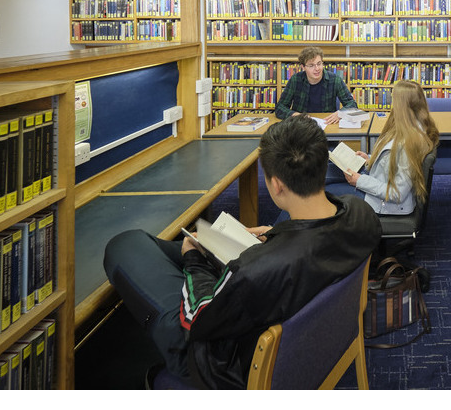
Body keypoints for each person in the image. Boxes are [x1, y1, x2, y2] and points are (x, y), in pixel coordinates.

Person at [102, 116, 381, 389]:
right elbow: (318, 237)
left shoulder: (252, 270)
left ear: (276, 185)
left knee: (125, 244)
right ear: (323, 165)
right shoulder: (361, 214)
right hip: (306, 326)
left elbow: (198, 319)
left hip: (220, 363)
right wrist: (275, 233)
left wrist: (194, 261)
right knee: (188, 244)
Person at [327, 80, 438, 215]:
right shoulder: (408, 127)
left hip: (381, 203)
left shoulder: (409, 143)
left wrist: (359, 181)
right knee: (322, 171)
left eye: (394, 100)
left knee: (323, 190)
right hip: (376, 180)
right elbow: (391, 163)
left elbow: (397, 193)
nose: (391, 104)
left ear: (401, 106)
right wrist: (369, 159)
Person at [274, 45, 357, 125]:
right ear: (303, 67)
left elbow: (352, 104)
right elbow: (280, 108)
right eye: (311, 65)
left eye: (319, 63)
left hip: (327, 124)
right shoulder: (295, 80)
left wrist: (340, 114)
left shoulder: (335, 79)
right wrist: (296, 115)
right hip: (302, 127)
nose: (317, 69)